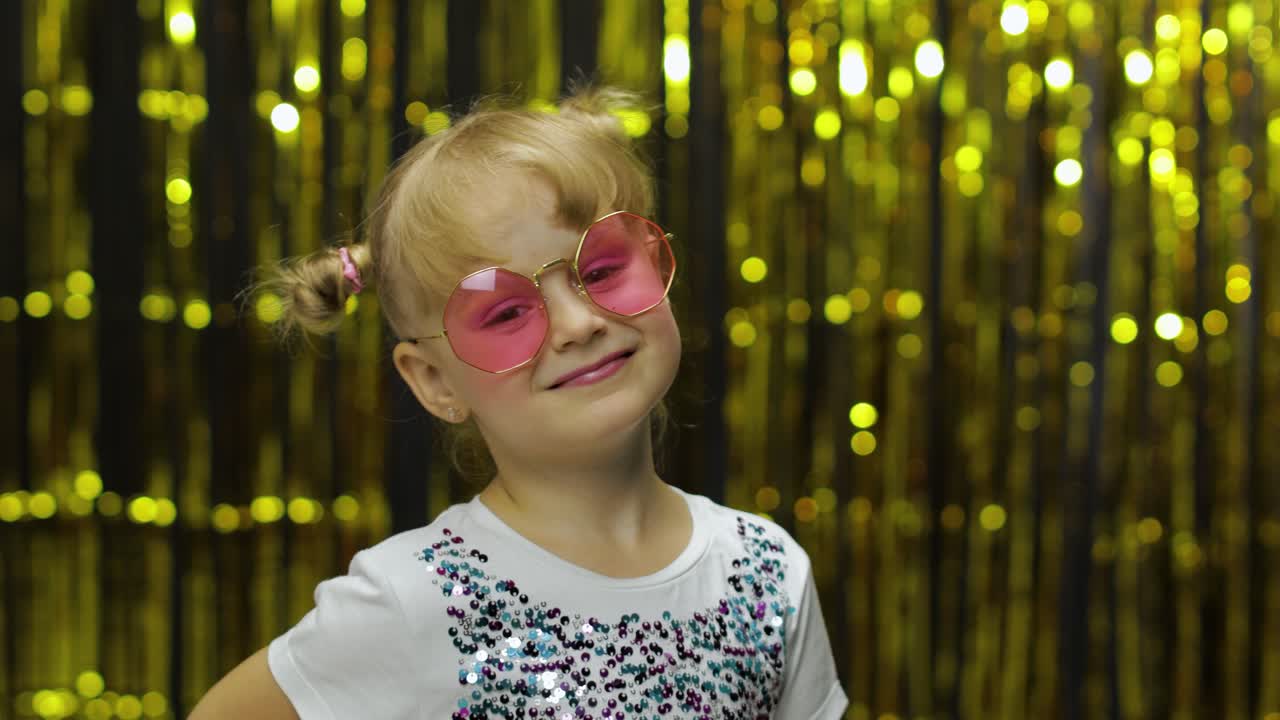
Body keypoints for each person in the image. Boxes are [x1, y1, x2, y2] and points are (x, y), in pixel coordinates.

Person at [189, 86, 847, 720]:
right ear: (435, 382)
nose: (577, 323)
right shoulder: (417, 600)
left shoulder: (765, 571)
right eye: (506, 312)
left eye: (601, 270)